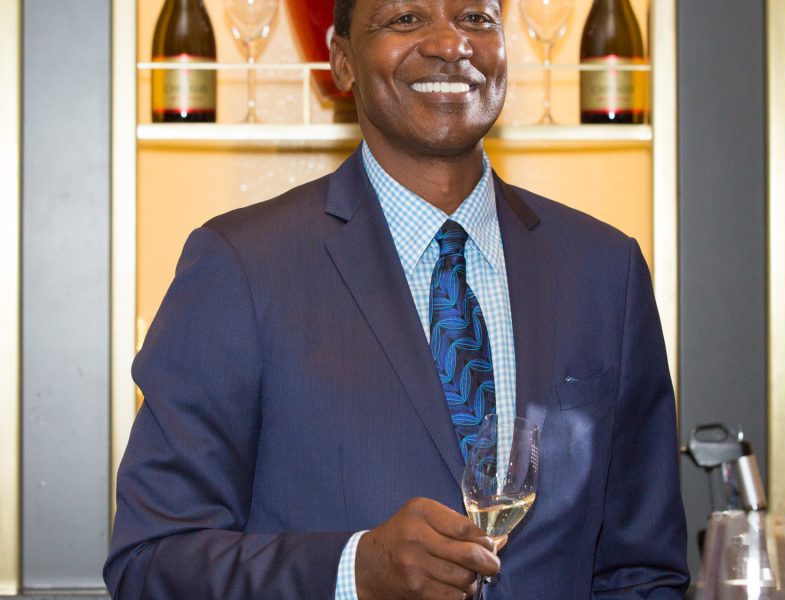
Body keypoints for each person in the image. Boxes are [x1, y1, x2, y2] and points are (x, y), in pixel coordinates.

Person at [104, 0, 689, 597]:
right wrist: (352, 572)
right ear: (342, 61)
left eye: (476, 19)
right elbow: (151, 562)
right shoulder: (239, 267)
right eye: (405, 19)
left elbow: (642, 571)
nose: (449, 44)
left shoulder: (605, 270)